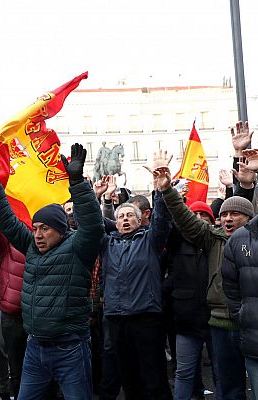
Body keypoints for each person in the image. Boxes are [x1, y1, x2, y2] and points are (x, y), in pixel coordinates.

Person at [0, 143, 104, 400]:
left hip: (71, 348)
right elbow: (6, 219)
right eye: (36, 227)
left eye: (45, 229)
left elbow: (94, 227)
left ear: (61, 229)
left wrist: (77, 182)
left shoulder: (78, 247)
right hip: (35, 347)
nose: (38, 234)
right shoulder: (30, 245)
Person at [101, 154, 174, 400]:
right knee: (129, 380)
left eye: (130, 215)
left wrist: (161, 190)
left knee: (154, 379)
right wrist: (98, 196)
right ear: (115, 222)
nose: (125, 219)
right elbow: (87, 223)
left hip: (146, 318)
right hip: (117, 320)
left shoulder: (150, 240)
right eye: (121, 216)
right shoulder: (107, 244)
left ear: (141, 219)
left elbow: (163, 221)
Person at [156, 167, 226, 400]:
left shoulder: (218, 242)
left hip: (217, 320)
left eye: (204, 216)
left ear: (211, 220)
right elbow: (170, 221)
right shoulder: (177, 241)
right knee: (184, 373)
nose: (198, 220)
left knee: (221, 374)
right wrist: (171, 193)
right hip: (186, 319)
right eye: (194, 216)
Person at [222, 201, 258, 396]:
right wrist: (244, 315)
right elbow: (231, 287)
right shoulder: (239, 239)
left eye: (234, 214)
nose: (228, 219)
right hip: (254, 341)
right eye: (224, 214)